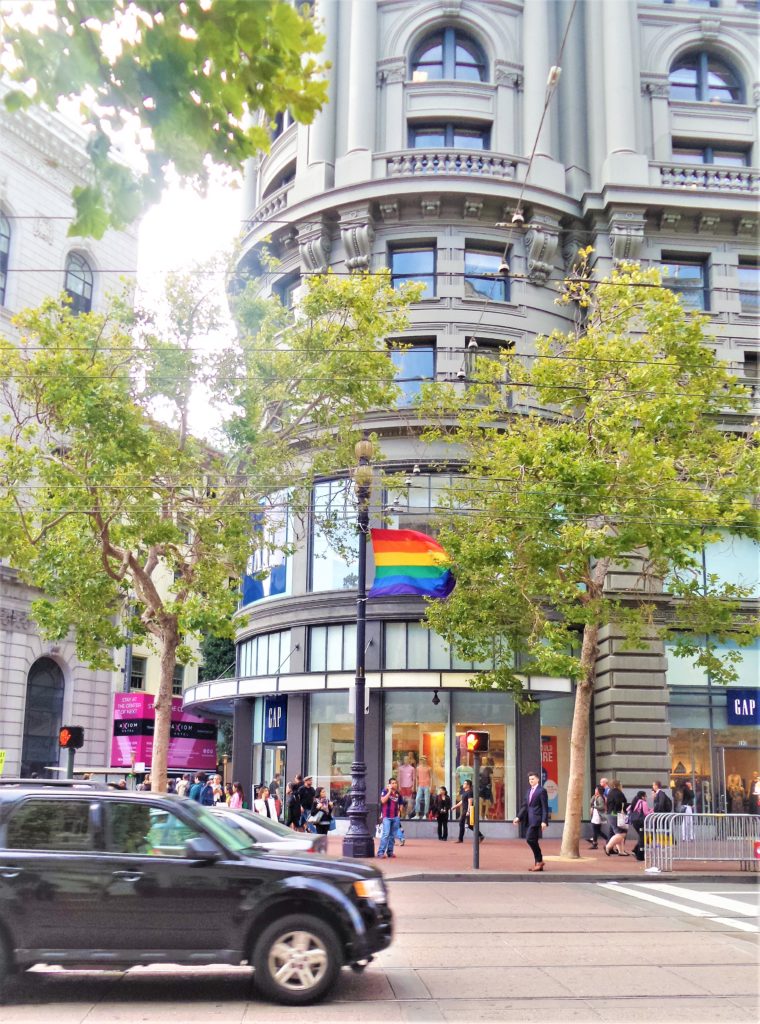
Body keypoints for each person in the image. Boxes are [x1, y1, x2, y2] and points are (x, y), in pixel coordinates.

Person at [514, 771, 549, 871]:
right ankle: (538, 864)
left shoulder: (541, 791)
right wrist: (518, 817)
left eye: (533, 779)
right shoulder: (528, 791)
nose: (531, 781)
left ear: (537, 779)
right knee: (533, 840)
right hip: (528, 819)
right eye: (529, 779)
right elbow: (525, 806)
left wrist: (544, 821)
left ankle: (539, 860)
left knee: (530, 839)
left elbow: (544, 807)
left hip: (537, 820)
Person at [377, 777, 401, 858]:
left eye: (396, 783)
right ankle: (380, 852)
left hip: (395, 817)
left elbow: (400, 804)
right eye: (393, 783)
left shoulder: (398, 793)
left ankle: (390, 852)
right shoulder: (385, 791)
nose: (395, 784)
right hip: (386, 816)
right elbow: (383, 801)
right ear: (389, 784)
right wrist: (389, 791)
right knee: (386, 834)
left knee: (392, 836)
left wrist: (399, 814)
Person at [604, 780, 629, 856]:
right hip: (615, 814)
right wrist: (622, 810)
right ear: (617, 785)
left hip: (610, 813)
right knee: (622, 833)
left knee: (617, 832)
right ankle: (608, 846)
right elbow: (619, 803)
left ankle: (621, 851)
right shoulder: (618, 793)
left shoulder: (610, 792)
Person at [453, 780, 484, 844]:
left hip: (469, 809)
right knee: (466, 824)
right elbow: (462, 801)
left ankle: (461, 839)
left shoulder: (470, 792)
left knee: (467, 824)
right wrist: (455, 806)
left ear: (468, 785)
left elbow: (470, 802)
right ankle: (480, 836)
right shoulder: (465, 792)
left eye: (465, 783)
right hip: (465, 810)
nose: (463, 784)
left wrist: (468, 811)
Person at [628, 789, 650, 860]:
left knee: (641, 836)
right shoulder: (643, 802)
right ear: (642, 796)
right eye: (645, 796)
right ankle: (640, 855)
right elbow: (646, 813)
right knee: (642, 838)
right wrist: (652, 812)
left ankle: (635, 850)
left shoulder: (635, 802)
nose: (646, 797)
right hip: (640, 822)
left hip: (634, 821)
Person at [413, 755, 432, 819]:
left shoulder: (429, 768)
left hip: (427, 785)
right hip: (420, 785)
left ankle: (425, 814)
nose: (422, 761)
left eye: (424, 759)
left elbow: (431, 777)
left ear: (426, 760)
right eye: (421, 759)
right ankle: (417, 814)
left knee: (427, 800)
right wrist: (416, 786)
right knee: (417, 799)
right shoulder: (418, 768)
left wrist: (430, 786)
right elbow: (417, 777)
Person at [397, 754, 416, 818]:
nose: (406, 761)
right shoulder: (400, 768)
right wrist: (399, 786)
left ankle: (408, 814)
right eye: (405, 759)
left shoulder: (412, 768)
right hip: (402, 786)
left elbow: (414, 779)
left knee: (409, 801)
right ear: (403, 760)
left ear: (409, 760)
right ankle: (402, 814)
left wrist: (413, 786)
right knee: (401, 801)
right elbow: (398, 778)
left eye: (407, 759)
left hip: (409, 786)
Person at [588, 785, 606, 849]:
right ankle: (595, 843)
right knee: (597, 831)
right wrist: (594, 796)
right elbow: (591, 802)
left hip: (598, 816)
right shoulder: (596, 797)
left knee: (596, 830)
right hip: (595, 815)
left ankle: (596, 843)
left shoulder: (600, 798)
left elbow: (602, 807)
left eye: (596, 790)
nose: (595, 791)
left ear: (599, 791)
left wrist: (594, 807)